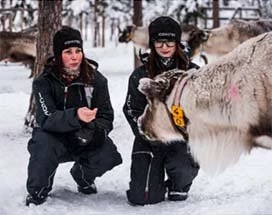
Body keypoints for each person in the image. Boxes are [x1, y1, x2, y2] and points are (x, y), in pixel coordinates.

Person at [26, 27, 122, 206]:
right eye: (68, 51)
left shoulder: (97, 80)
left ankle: (82, 176)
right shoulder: (43, 82)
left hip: (82, 135)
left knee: (109, 154)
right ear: (57, 54)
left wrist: (94, 130)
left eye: (78, 51)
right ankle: (38, 189)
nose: (74, 56)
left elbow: (106, 116)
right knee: (43, 146)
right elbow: (46, 118)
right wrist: (76, 116)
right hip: (52, 136)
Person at [123, 16, 200, 205]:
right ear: (152, 43)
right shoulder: (140, 75)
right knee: (142, 198)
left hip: (181, 139)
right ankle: (153, 182)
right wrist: (146, 134)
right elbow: (131, 109)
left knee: (179, 188)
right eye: (159, 41)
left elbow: (202, 109)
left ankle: (179, 183)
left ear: (177, 42)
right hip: (149, 140)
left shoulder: (193, 72)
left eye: (170, 41)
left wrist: (185, 128)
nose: (164, 46)